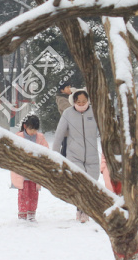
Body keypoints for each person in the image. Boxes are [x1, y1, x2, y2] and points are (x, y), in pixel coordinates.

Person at [53, 89, 99, 222]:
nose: (81, 104)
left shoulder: (94, 112)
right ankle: (81, 210)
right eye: (79, 102)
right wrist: (54, 155)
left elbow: (104, 129)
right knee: (80, 183)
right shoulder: (68, 114)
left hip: (92, 156)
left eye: (84, 101)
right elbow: (59, 134)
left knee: (91, 184)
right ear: (73, 101)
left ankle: (85, 209)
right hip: (74, 155)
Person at [10, 115, 48, 222]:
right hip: (22, 171)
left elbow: (46, 151)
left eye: (35, 129)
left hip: (35, 172)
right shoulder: (18, 137)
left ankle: (31, 214)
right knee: (23, 194)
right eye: (31, 129)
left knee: (34, 194)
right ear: (25, 126)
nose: (33, 132)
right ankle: (22, 214)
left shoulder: (40, 138)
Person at [55, 82, 74, 156]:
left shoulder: (69, 97)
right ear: (62, 90)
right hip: (67, 129)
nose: (70, 88)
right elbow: (69, 109)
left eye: (70, 86)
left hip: (72, 129)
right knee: (66, 149)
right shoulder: (62, 99)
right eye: (67, 87)